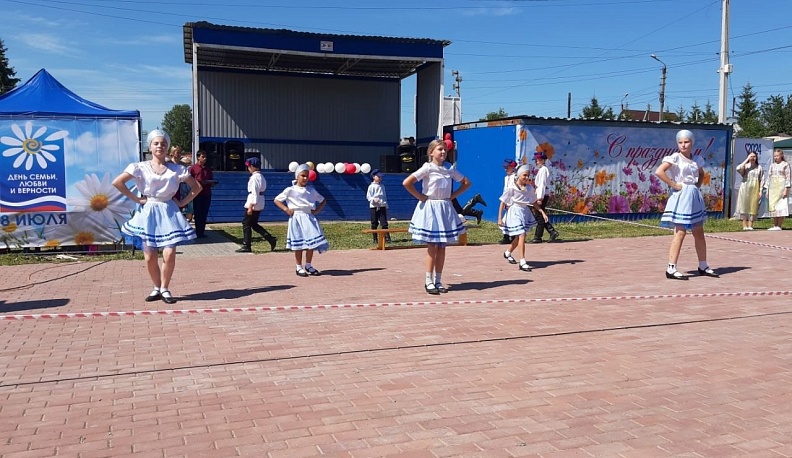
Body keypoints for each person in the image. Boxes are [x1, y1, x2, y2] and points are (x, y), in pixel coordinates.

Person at [112, 129, 202, 304]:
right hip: (148, 212)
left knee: (169, 254)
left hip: (168, 211)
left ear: (167, 147)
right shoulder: (139, 167)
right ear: (150, 146)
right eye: (156, 143)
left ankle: (165, 288)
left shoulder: (177, 169)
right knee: (149, 256)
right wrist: (137, 199)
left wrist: (183, 203)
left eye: (163, 143)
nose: (160, 146)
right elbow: (118, 182)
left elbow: (196, 187)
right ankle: (156, 287)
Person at [403, 139, 471, 295]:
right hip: (431, 207)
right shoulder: (427, 168)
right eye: (440, 149)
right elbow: (407, 182)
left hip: (445, 207)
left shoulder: (449, 169)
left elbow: (466, 183)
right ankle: (428, 280)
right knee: (432, 246)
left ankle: (438, 280)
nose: (443, 152)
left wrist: (452, 196)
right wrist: (420, 197)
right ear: (431, 152)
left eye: (445, 150)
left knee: (442, 247)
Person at [655, 129, 718, 280]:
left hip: (693, 196)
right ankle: (671, 267)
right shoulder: (675, 158)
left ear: (692, 142)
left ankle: (703, 265)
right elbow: (659, 171)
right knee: (680, 231)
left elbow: (701, 173)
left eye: (686, 142)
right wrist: (674, 184)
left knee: (698, 231)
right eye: (680, 142)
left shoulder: (697, 159)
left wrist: (697, 185)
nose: (683, 145)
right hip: (681, 196)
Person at [274, 164, 329, 277]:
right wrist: (286, 209)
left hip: (308, 217)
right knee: (299, 244)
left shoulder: (311, 190)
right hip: (296, 217)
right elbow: (277, 200)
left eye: (307, 176)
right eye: (302, 175)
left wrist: (316, 211)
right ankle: (298, 266)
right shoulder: (290, 190)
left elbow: (323, 200)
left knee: (311, 243)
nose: (305, 178)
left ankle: (308, 264)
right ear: (297, 176)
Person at [498, 165, 547, 272]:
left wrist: (542, 212)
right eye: (524, 175)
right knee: (522, 234)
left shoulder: (529, 188)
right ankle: (522, 261)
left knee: (518, 237)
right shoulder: (512, 188)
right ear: (519, 175)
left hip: (524, 212)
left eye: (528, 175)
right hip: (514, 212)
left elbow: (533, 202)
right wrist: (500, 218)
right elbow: (503, 202)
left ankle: (507, 253)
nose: (526, 177)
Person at [235, 157, 277, 253]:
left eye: (249, 166)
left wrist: (250, 206)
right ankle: (270, 238)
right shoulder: (261, 176)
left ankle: (247, 245)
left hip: (254, 202)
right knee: (253, 224)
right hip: (260, 201)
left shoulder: (255, 178)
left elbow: (254, 192)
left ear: (253, 167)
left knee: (246, 224)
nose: (248, 168)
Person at [530, 152, 560, 243]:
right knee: (540, 215)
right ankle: (551, 231)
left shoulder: (543, 170)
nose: (537, 162)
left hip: (542, 195)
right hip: (541, 194)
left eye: (539, 160)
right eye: (536, 160)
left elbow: (542, 185)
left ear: (543, 160)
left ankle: (538, 236)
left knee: (539, 216)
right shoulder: (541, 170)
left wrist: (540, 198)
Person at [188, 150, 216, 238]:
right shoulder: (193, 168)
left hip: (206, 193)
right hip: (197, 194)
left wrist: (211, 183)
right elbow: (189, 180)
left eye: (205, 157)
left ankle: (201, 232)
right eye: (203, 156)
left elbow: (211, 179)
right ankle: (197, 232)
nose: (205, 158)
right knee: (198, 213)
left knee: (204, 213)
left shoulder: (208, 169)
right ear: (198, 157)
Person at [734, 151, 763, 230]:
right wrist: (747, 159)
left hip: (755, 187)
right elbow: (738, 168)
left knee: (753, 206)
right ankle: (744, 225)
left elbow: (761, 180)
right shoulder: (745, 166)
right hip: (745, 187)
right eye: (751, 156)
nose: (752, 158)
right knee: (744, 206)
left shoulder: (759, 167)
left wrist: (760, 190)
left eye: (754, 156)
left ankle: (750, 225)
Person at [763, 148, 790, 231]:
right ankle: (775, 225)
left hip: (781, 186)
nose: (776, 157)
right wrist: (767, 189)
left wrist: (786, 189)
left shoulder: (785, 164)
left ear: (781, 155)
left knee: (781, 206)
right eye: (775, 156)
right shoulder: (772, 165)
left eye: (777, 156)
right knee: (773, 206)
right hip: (773, 187)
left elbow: (788, 177)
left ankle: (779, 225)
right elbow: (769, 176)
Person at [366, 168, 390, 244]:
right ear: (373, 177)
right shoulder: (371, 186)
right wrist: (373, 199)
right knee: (374, 222)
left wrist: (386, 205)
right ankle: (375, 238)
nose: (380, 178)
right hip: (374, 206)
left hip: (382, 205)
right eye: (378, 177)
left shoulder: (382, 186)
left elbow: (384, 196)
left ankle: (387, 237)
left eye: (381, 177)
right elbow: (368, 196)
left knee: (384, 222)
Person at [499, 158, 518, 244]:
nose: (505, 169)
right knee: (506, 219)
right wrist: (504, 202)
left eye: (507, 167)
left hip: (513, 202)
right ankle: (506, 236)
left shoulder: (516, 177)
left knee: (512, 220)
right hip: (506, 201)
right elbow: (505, 190)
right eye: (505, 167)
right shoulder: (506, 178)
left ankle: (513, 236)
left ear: (512, 167)